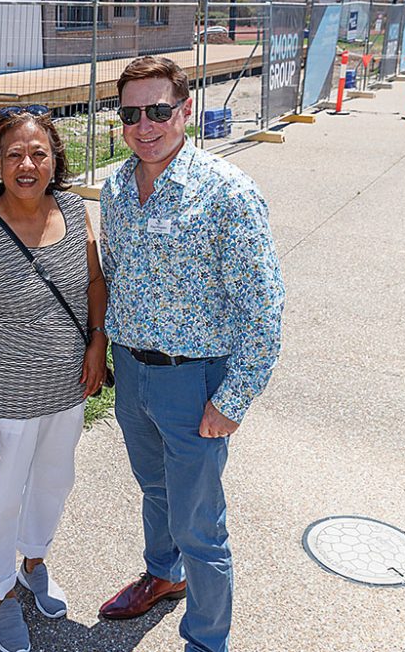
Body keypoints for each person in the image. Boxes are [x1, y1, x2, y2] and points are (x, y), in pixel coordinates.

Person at [96, 57, 284, 652]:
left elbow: (264, 305)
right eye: (131, 113)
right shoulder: (118, 188)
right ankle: (162, 576)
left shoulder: (228, 191)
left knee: (200, 526)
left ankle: (206, 639)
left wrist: (234, 399)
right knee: (154, 489)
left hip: (195, 382)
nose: (144, 125)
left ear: (186, 111)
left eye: (158, 111)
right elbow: (118, 275)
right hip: (132, 373)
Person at [0, 108, 109, 652]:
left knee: (50, 487)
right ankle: (0, 594)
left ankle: (34, 562)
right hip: (6, 404)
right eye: (14, 154)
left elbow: (92, 280)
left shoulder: (71, 210)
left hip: (66, 395)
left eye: (38, 153)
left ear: (54, 161)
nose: (27, 164)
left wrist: (97, 340)